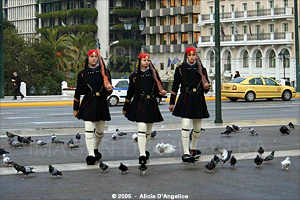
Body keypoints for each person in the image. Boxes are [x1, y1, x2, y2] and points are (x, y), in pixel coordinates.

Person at [122, 52, 167, 173]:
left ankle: (144, 150)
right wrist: (126, 107)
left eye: (148, 60)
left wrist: (161, 94)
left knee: (148, 131)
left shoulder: (153, 75)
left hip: (150, 103)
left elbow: (157, 90)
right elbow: (130, 93)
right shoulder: (134, 76)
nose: (146, 62)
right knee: (141, 127)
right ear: (140, 62)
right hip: (139, 103)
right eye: (144, 60)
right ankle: (142, 155)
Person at [169, 46, 210, 164]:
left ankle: (193, 148)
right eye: (190, 55)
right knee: (185, 124)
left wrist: (207, 87)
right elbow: (175, 87)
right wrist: (172, 102)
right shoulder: (180, 69)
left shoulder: (202, 69)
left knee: (197, 128)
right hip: (185, 97)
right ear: (186, 56)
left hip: (198, 98)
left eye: (194, 55)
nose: (192, 57)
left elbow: (205, 88)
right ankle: (186, 152)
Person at [73, 49, 113, 165]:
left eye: (96, 56)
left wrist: (110, 90)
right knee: (89, 130)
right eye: (91, 56)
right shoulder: (82, 74)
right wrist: (75, 108)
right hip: (88, 102)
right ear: (88, 58)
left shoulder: (105, 72)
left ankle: (94, 148)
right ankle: (90, 155)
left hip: (101, 102)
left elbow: (109, 90)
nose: (94, 58)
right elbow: (78, 92)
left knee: (100, 132)